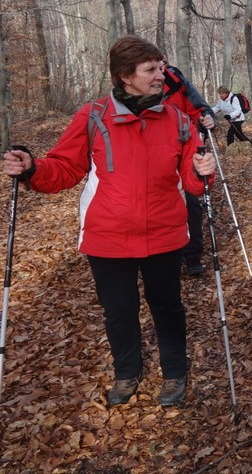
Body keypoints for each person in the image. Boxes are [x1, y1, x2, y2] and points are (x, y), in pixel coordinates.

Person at [2, 34, 216, 408]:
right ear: (124, 76)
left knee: (167, 307)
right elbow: (64, 168)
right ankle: (127, 372)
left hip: (164, 234)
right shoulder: (94, 116)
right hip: (109, 237)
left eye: (162, 68)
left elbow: (191, 181)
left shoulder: (178, 120)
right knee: (119, 310)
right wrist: (32, 167)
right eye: (151, 69)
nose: (161, 76)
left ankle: (175, 372)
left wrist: (202, 171)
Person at [161, 56, 216, 276]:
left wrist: (208, 117)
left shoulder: (178, 81)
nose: (160, 69)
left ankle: (192, 255)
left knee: (191, 202)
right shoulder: (137, 86)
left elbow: (200, 107)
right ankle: (164, 254)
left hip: (184, 147)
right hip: (157, 153)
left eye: (162, 64)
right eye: (154, 65)